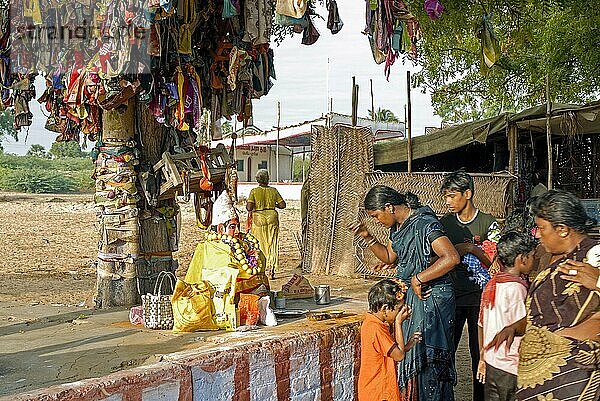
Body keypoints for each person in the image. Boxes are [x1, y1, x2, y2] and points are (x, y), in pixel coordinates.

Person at [487, 190, 600, 400]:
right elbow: (543, 313)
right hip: (542, 379)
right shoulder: (554, 261)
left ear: (563, 230)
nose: (537, 234)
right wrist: (516, 327)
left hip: (573, 376)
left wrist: (598, 282)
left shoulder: (594, 255)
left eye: (541, 228)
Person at [349, 185, 459, 401]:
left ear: (389, 207)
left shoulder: (425, 224)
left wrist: (419, 278)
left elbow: (451, 257)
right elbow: (390, 257)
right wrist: (367, 236)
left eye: (376, 215)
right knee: (416, 362)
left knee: (430, 361)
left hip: (432, 299)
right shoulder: (398, 228)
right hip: (414, 298)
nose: (377, 221)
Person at [439, 170, 500, 401]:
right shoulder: (444, 224)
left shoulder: (488, 223)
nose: (448, 201)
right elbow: (435, 258)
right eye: (445, 196)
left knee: (479, 355)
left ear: (468, 193)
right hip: (451, 296)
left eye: (452, 196)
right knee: (446, 352)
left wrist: (472, 249)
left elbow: (495, 262)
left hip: (479, 299)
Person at [477, 231, 536, 401]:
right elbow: (524, 325)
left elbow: (481, 323)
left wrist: (482, 356)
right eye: (532, 256)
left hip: (492, 361)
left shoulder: (492, 284)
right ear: (522, 259)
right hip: (511, 366)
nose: (534, 260)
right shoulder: (517, 289)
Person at [358, 279, 422, 401]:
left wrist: (408, 344)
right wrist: (398, 323)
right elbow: (399, 356)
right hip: (379, 391)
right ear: (385, 308)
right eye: (398, 309)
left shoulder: (372, 323)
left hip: (375, 389)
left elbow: (390, 351)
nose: (399, 313)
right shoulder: (375, 328)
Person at [246, 169, 286, 279]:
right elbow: (283, 205)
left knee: (260, 244)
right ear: (267, 179)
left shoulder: (254, 191)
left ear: (257, 179)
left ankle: (261, 268)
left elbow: (249, 208)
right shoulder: (274, 190)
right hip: (272, 216)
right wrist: (274, 205)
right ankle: (271, 270)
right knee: (272, 244)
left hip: (258, 218)